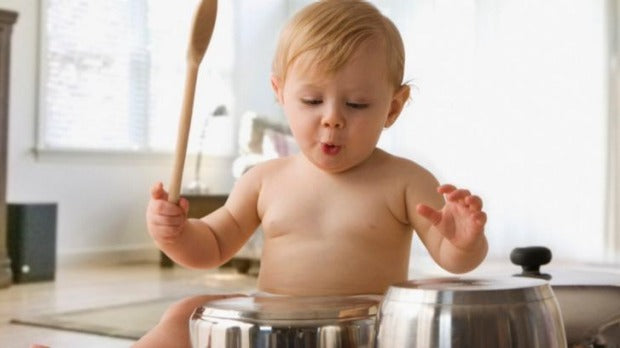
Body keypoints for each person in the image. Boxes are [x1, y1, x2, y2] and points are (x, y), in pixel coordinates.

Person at [136, 0, 488, 346]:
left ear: (392, 108)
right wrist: (175, 235)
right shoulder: (263, 181)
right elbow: (211, 246)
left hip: (362, 333)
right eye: (312, 101)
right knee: (187, 314)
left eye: (356, 104)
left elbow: (453, 260)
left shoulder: (405, 181)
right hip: (273, 331)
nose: (332, 118)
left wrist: (463, 243)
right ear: (280, 93)